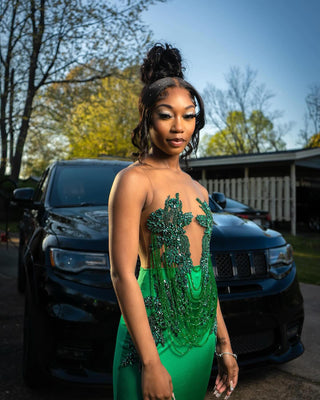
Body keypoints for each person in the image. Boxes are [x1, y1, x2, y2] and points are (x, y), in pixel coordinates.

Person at [109, 43, 239, 400]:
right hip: (151, 339)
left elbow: (204, 271)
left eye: (188, 114)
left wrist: (225, 346)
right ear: (148, 117)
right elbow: (121, 274)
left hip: (200, 341)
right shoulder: (134, 180)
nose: (178, 126)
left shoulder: (198, 189)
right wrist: (151, 363)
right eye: (167, 115)